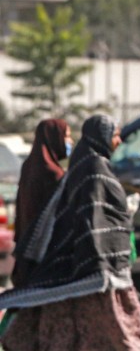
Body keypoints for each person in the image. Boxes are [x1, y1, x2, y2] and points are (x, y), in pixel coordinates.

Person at [0, 114, 140, 351]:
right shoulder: (92, 170)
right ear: (101, 137)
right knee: (121, 335)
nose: (119, 142)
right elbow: (93, 218)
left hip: (78, 267)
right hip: (94, 269)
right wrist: (97, 258)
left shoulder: (83, 167)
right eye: (115, 135)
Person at [11, 118, 71, 287]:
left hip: (25, 249)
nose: (70, 142)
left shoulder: (28, 166)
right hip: (44, 253)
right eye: (67, 137)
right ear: (54, 138)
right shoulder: (54, 175)